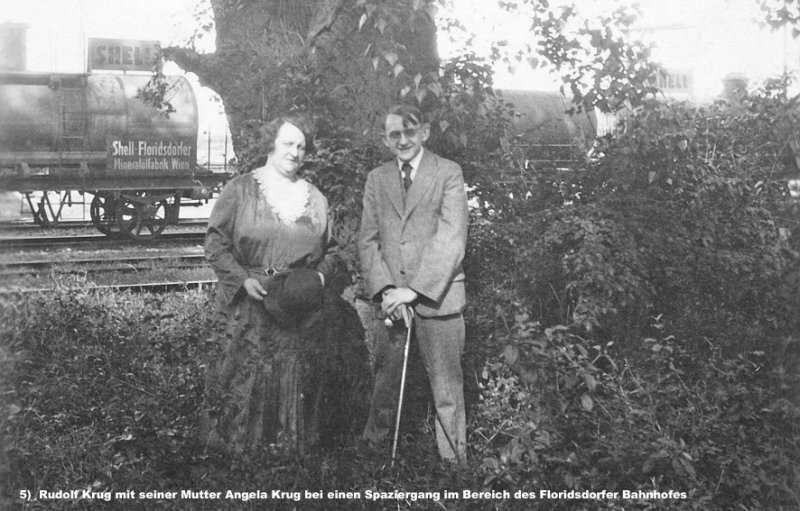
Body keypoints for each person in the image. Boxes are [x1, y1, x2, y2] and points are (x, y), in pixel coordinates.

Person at [202, 113, 366, 456]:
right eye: (288, 143)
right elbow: (216, 244)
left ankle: (288, 453)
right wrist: (243, 280)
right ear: (271, 143)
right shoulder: (240, 190)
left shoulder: (314, 198)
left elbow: (332, 251)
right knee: (246, 375)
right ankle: (239, 457)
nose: (295, 152)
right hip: (248, 307)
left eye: (302, 147)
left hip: (297, 306)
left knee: (294, 371)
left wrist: (318, 277)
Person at [359, 103, 469, 463]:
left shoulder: (448, 172)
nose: (403, 140)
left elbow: (452, 237)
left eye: (410, 132)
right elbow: (368, 241)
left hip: (438, 299)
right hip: (392, 301)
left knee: (447, 390)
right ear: (385, 140)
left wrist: (415, 290)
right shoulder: (377, 179)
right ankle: (374, 462)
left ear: (425, 132)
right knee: (385, 384)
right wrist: (387, 290)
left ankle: (455, 467)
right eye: (395, 134)